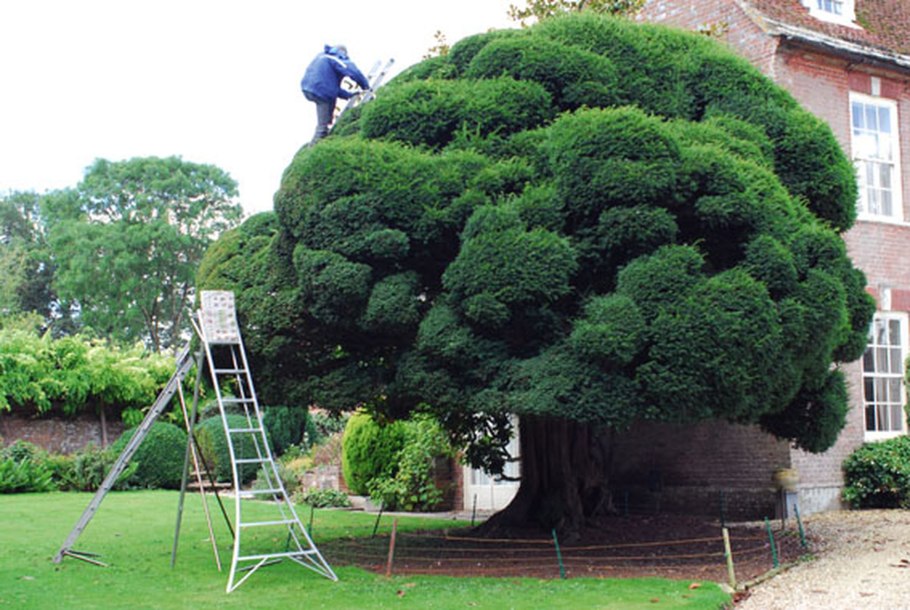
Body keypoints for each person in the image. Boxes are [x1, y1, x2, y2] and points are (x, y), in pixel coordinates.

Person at [300, 44, 370, 143]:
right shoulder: (335, 58)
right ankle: (314, 147)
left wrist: (349, 95)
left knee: (326, 115)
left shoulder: (322, 58)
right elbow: (352, 71)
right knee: (323, 125)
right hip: (321, 91)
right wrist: (365, 86)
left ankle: (324, 137)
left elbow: (331, 87)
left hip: (310, 88)